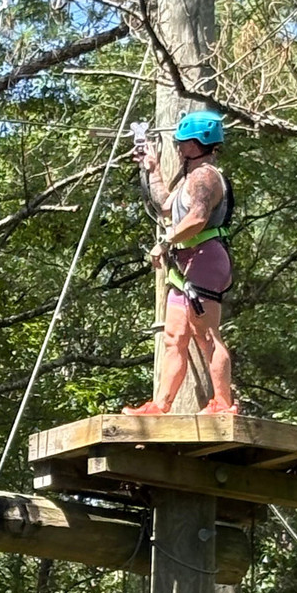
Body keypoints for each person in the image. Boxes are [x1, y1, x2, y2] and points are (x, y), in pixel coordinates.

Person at [123, 110, 237, 416]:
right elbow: (165, 207)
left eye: (184, 141)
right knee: (174, 336)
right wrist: (152, 169)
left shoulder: (205, 177)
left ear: (199, 143)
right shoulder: (189, 178)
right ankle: (160, 406)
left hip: (205, 258)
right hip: (185, 263)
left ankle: (223, 404)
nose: (178, 146)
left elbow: (197, 219)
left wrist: (165, 242)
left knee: (206, 333)